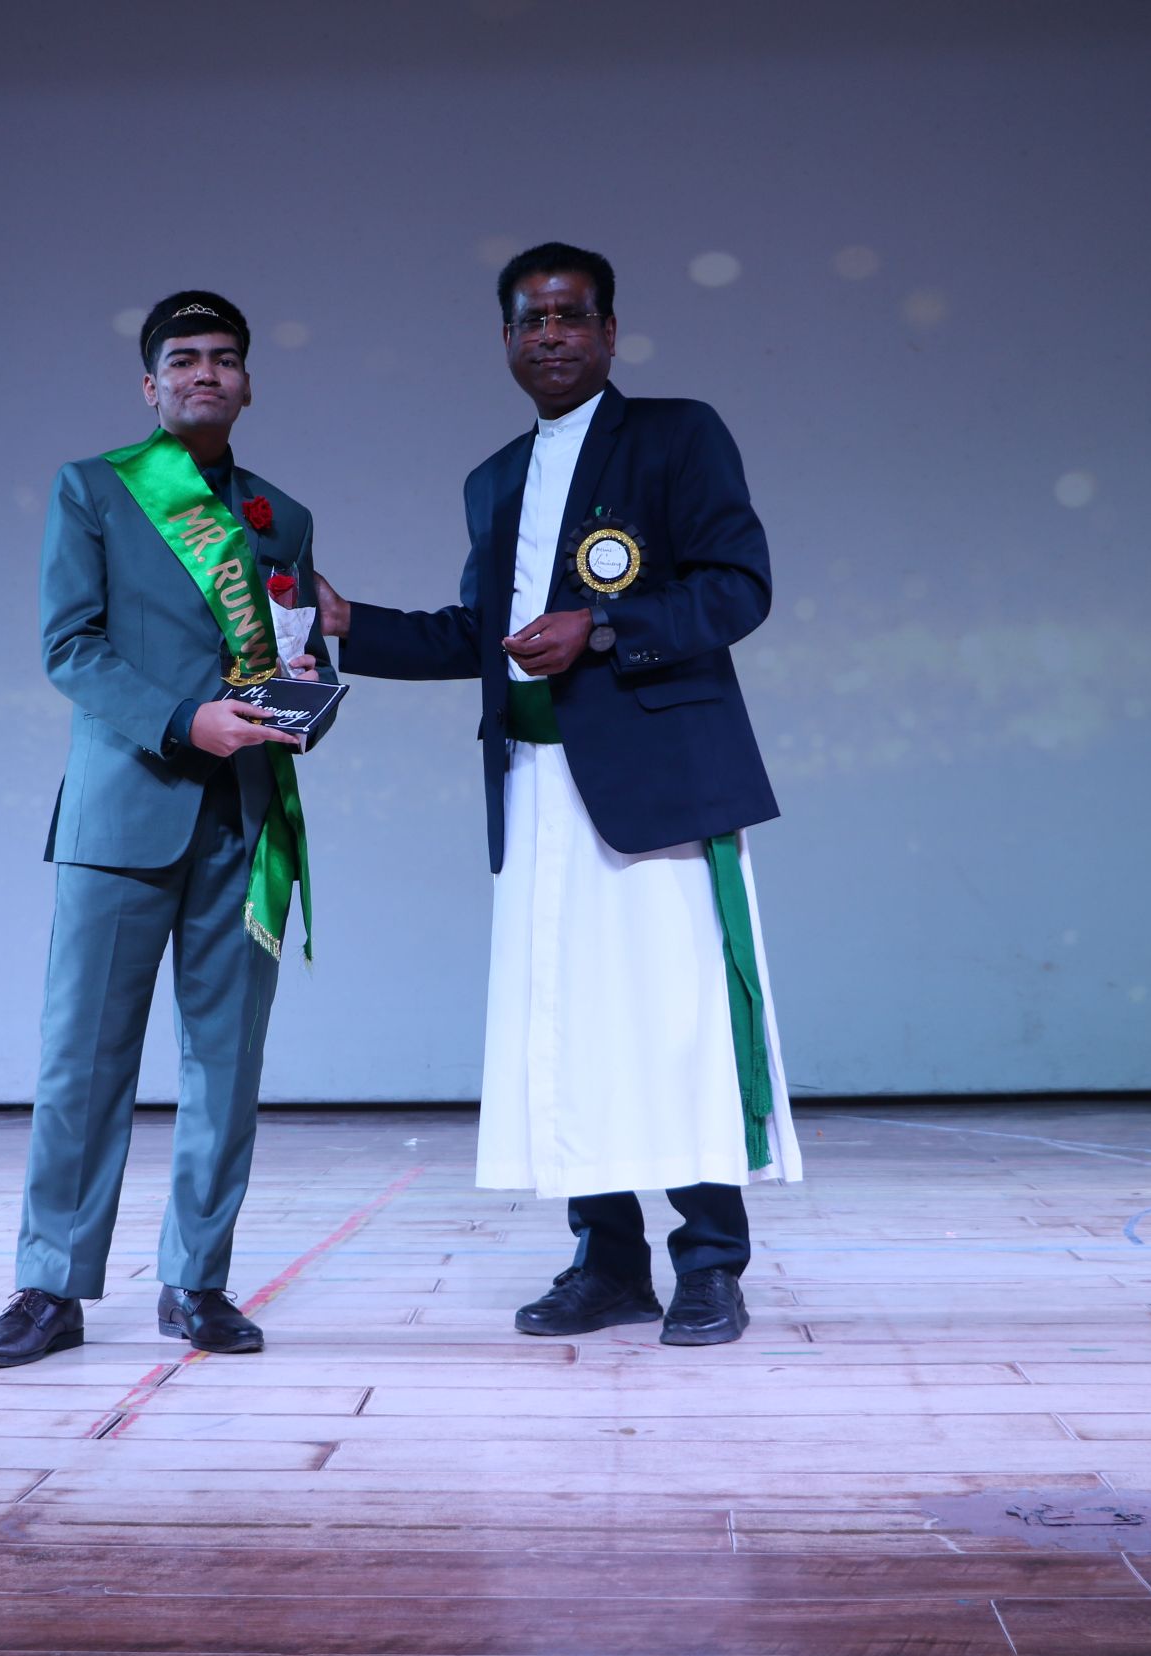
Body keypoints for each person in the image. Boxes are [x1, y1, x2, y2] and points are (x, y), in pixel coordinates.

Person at [315, 242, 800, 1346]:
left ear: (611, 332)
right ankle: (608, 1260)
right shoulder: (494, 478)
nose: (551, 335)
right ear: (504, 341)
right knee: (570, 1024)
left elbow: (738, 587)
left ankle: (710, 1262)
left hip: (658, 783)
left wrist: (607, 627)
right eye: (530, 319)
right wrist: (351, 625)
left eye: (572, 315)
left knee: (675, 1022)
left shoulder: (677, 434)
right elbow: (478, 637)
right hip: (538, 784)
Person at [0, 291, 333, 1368]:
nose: (204, 372)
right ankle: (50, 1287)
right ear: (150, 385)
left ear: (248, 383)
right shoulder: (94, 489)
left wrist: (304, 691)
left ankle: (197, 1280)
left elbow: (290, 650)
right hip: (122, 813)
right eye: (182, 358)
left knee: (226, 1063)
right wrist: (184, 720)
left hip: (243, 819)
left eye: (223, 357)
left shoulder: (282, 515)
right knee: (83, 1061)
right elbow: (70, 647)